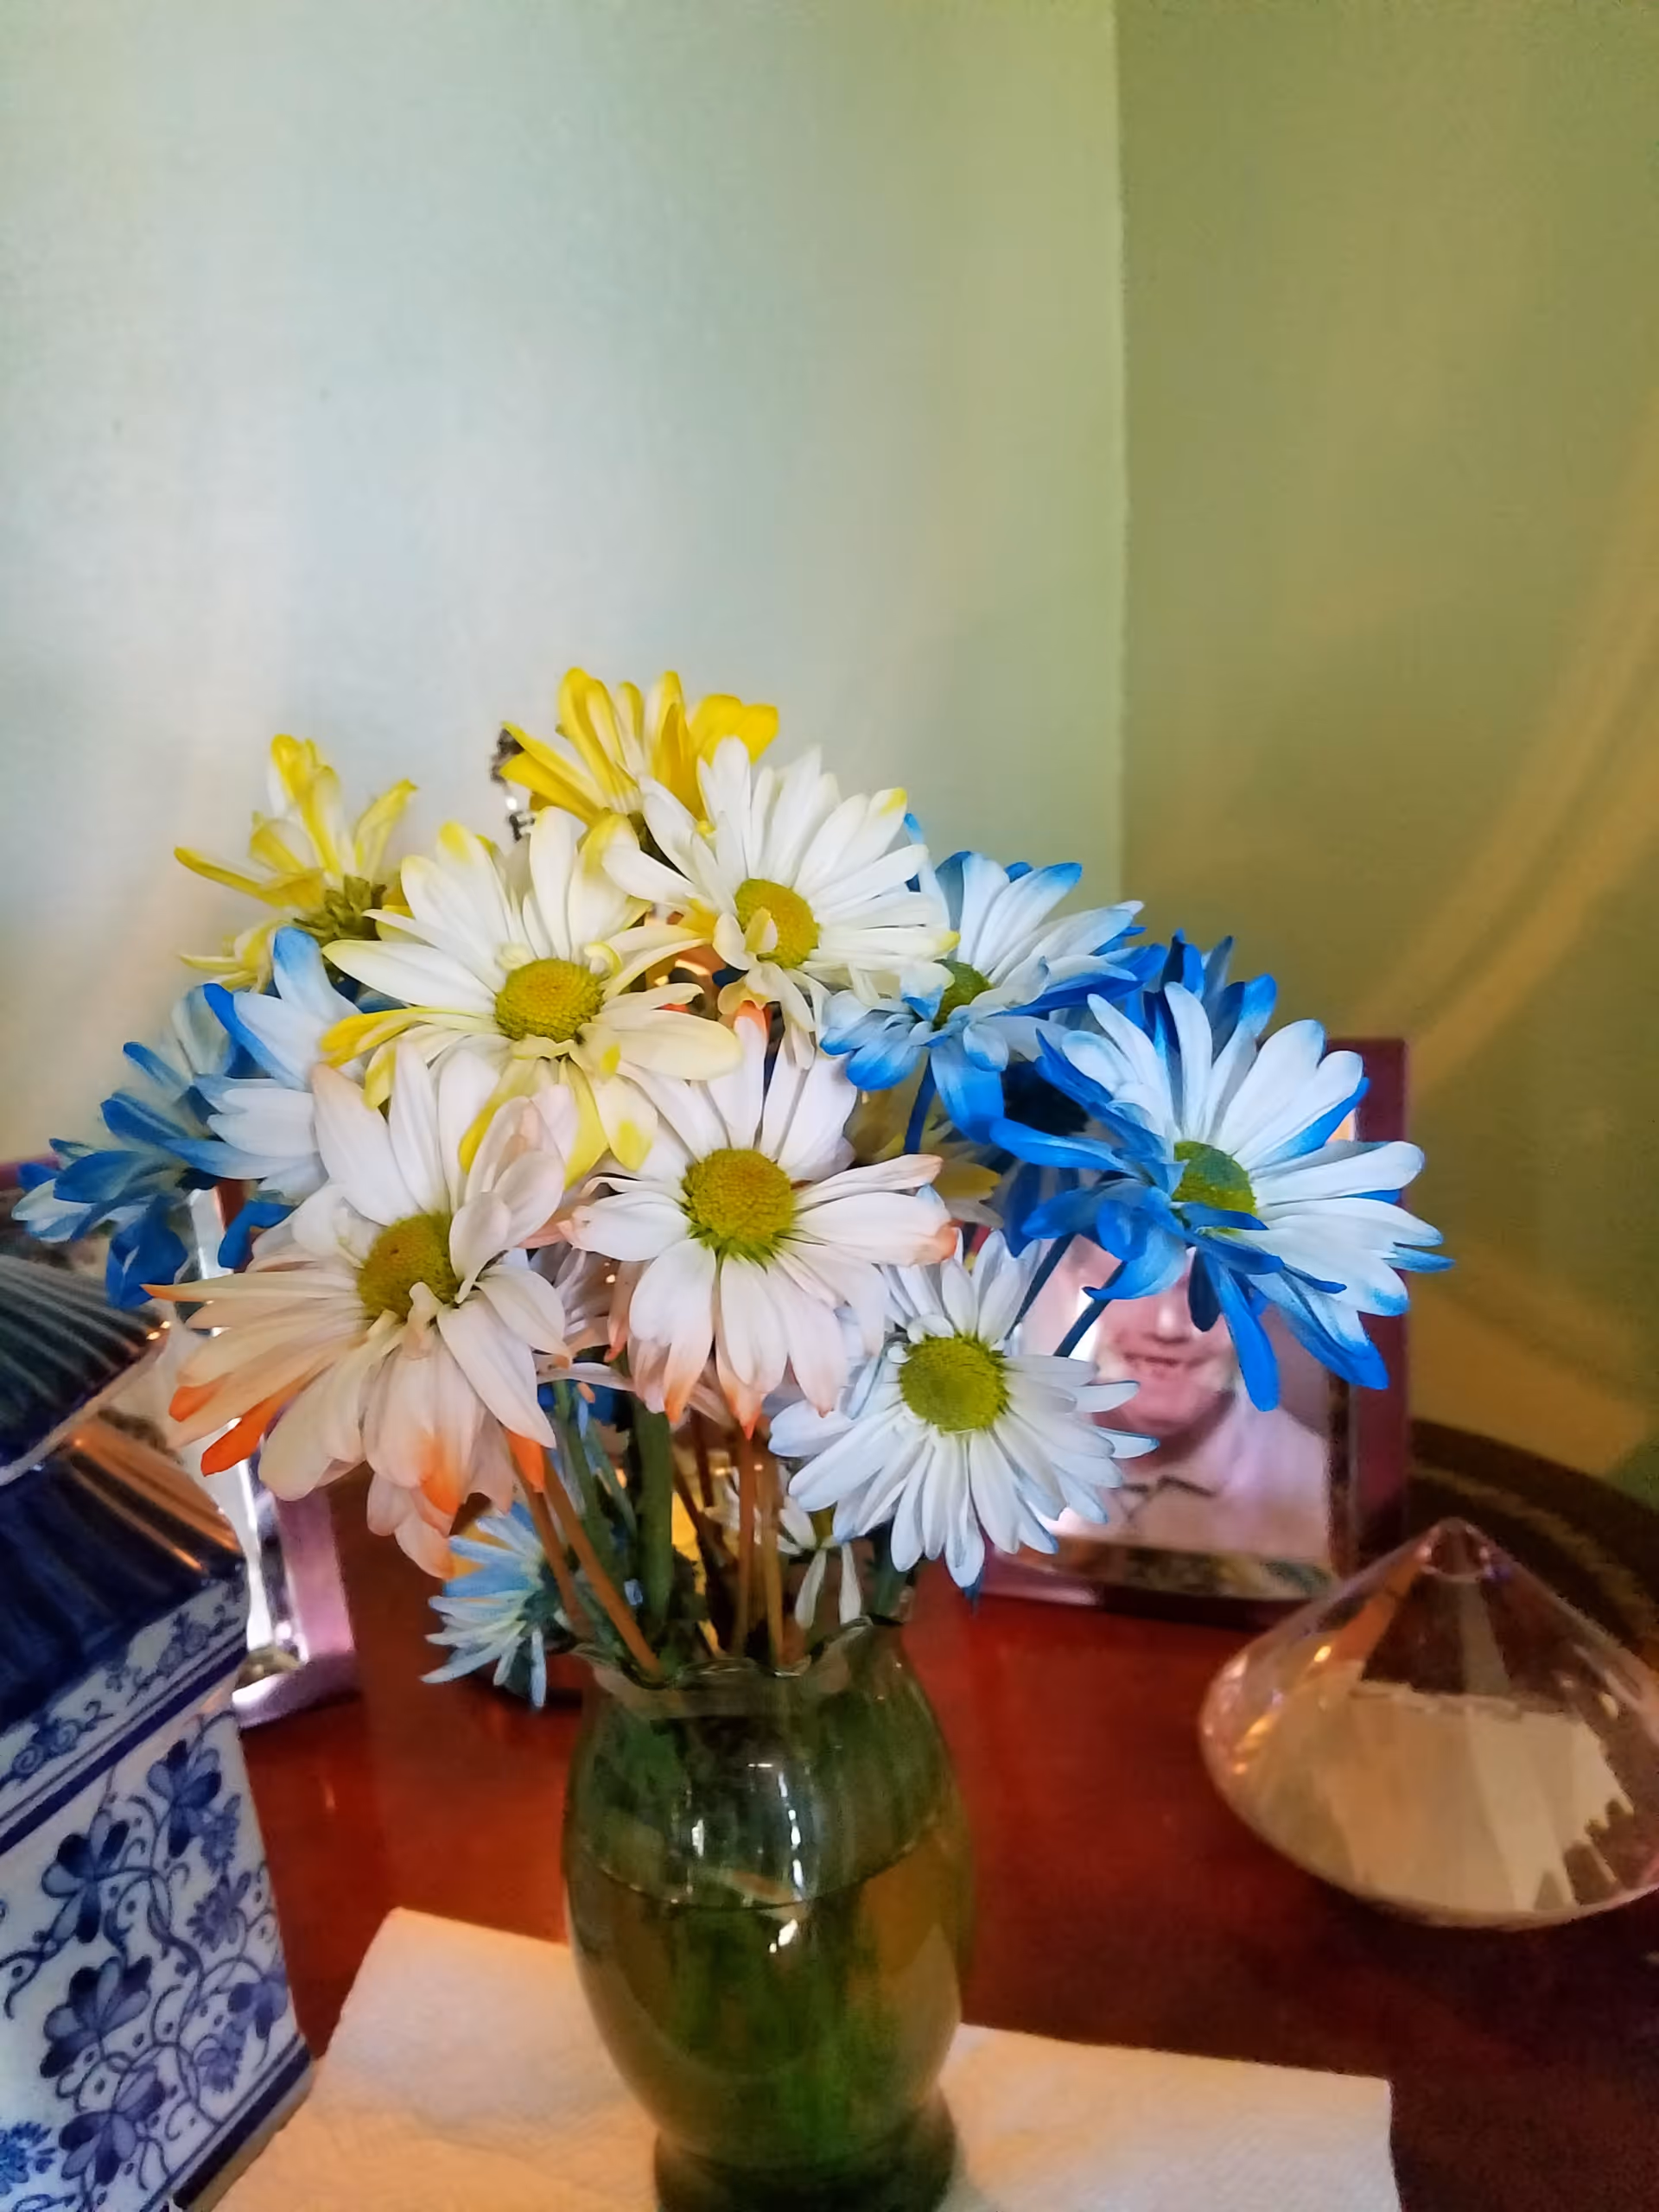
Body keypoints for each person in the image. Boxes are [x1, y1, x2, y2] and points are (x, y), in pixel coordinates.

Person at [1028, 1246, 1332, 1566]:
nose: (1168, 1326)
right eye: (1136, 1282)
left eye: (1207, 1285)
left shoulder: (1319, 1495)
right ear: (1073, 1284)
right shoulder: (998, 1456)